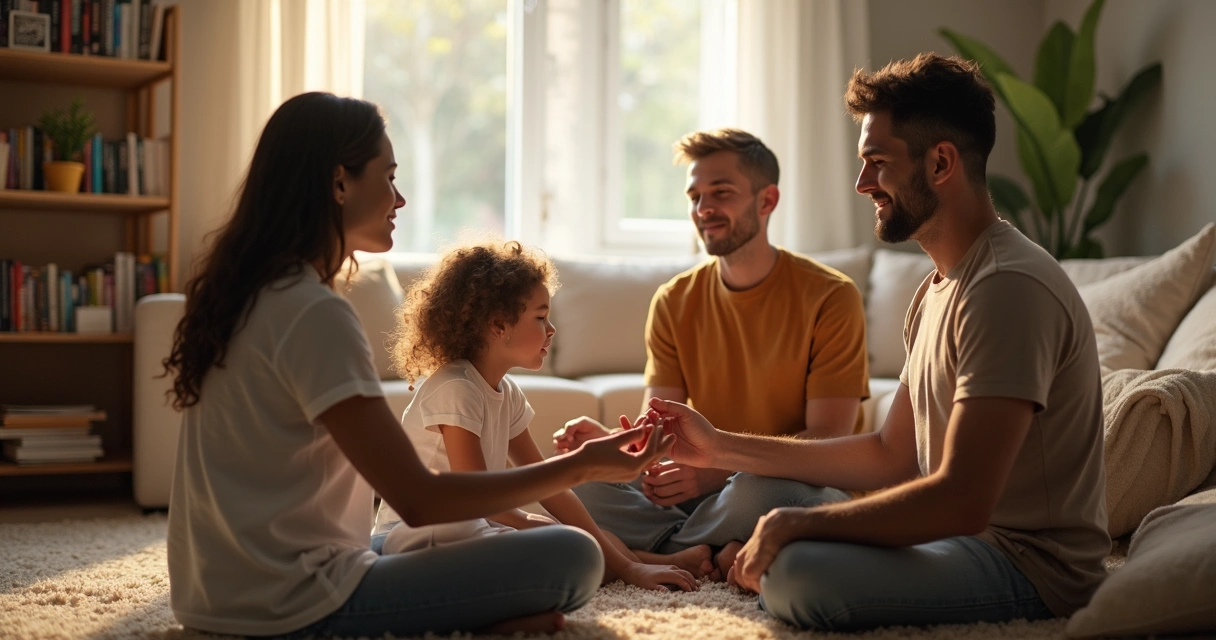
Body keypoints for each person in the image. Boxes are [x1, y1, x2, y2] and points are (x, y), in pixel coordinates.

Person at [161, 92, 674, 639]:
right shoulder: (312, 313)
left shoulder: (251, 298)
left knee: (547, 543)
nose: (399, 199)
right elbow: (418, 498)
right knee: (572, 556)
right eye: (388, 177)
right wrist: (583, 464)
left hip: (211, 598)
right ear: (339, 183)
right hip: (293, 606)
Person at [644, 53, 1110, 632]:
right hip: (960, 539)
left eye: (877, 163)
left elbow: (966, 499)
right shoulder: (937, 289)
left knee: (796, 572)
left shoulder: (1005, 287)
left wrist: (801, 522)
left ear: (941, 163)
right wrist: (717, 448)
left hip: (1028, 564)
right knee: (786, 550)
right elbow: (890, 456)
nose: (863, 184)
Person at [554, 128, 871, 579]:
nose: (704, 210)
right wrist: (612, 446)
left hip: (784, 483)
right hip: (707, 489)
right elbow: (659, 429)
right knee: (578, 482)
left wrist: (719, 468)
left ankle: (659, 551)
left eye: (721, 193)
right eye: (695, 196)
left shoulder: (831, 296)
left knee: (762, 496)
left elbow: (828, 438)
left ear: (767, 200)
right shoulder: (674, 299)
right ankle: (718, 552)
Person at [370, 239, 706, 589]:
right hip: (412, 537)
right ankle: (643, 564)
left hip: (470, 527)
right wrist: (533, 524)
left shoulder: (507, 393)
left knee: (582, 538)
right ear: (499, 324)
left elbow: (553, 487)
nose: (552, 329)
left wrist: (554, 528)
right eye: (541, 317)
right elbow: (476, 497)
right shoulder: (456, 387)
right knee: (569, 549)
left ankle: (648, 564)